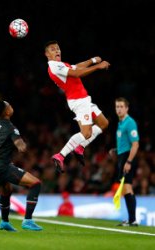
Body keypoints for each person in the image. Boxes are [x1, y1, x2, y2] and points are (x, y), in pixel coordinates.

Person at [44, 40, 110, 173]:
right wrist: (98, 66)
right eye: (52, 49)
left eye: (58, 48)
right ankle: (60, 155)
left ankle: (79, 148)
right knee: (86, 133)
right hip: (78, 101)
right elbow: (77, 73)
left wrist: (92, 60)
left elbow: (76, 67)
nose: (57, 50)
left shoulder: (60, 65)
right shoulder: (53, 66)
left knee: (103, 123)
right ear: (47, 54)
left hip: (84, 99)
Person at [0, 100, 43, 231]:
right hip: (3, 165)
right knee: (35, 184)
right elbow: (20, 145)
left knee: (6, 191)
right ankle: (28, 221)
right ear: (7, 112)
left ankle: (4, 222)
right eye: (10, 106)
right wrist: (22, 146)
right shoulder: (10, 127)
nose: (12, 107)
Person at [109, 97, 139, 226]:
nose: (119, 109)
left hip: (128, 157)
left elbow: (135, 144)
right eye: (117, 107)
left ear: (127, 108)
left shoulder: (130, 122)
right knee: (127, 188)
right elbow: (125, 142)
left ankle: (133, 220)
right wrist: (116, 150)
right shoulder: (120, 123)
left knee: (127, 186)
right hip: (122, 156)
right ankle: (132, 219)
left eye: (121, 106)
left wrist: (129, 162)